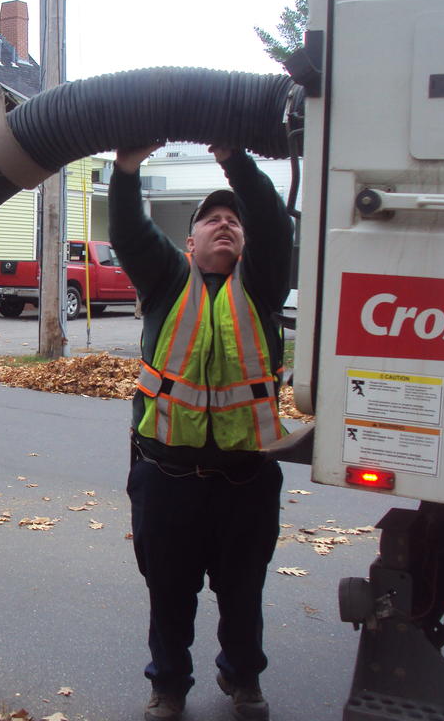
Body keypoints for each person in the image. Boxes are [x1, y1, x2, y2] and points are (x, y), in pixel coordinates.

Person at [108, 144, 294, 721]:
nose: (225, 224)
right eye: (211, 218)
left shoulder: (261, 284)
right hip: (167, 479)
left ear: (245, 240)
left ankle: (243, 677)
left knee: (243, 592)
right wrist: (126, 170)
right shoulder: (167, 280)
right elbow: (130, 232)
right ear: (189, 241)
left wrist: (236, 161)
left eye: (233, 219)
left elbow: (273, 224)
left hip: (246, 480)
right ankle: (169, 685)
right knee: (169, 593)